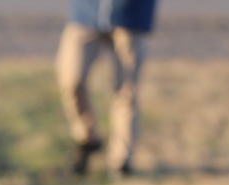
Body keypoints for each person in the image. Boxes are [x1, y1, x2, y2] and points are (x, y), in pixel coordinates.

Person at [57, 0, 158, 175]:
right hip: (85, 14)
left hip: (129, 16)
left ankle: (121, 162)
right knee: (71, 80)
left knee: (126, 91)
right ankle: (88, 139)